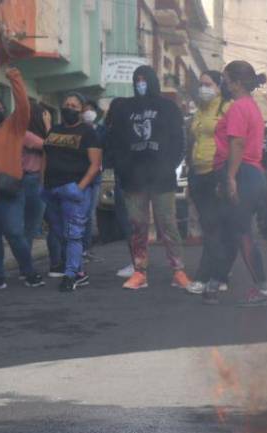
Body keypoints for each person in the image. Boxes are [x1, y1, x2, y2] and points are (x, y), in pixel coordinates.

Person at [104, 65, 189, 290]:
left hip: (162, 178)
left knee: (167, 224)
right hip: (133, 179)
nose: (140, 83)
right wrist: (122, 169)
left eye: (144, 79)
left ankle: (178, 271)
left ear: (152, 81)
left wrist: (169, 166)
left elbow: (180, 141)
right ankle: (139, 271)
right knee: (137, 226)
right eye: (137, 79)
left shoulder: (168, 108)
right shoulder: (124, 108)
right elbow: (114, 141)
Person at [0, 69, 44, 290]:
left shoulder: (13, 127)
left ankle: (29, 272)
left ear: (4, 111)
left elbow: (23, 105)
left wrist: (15, 78)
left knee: (14, 233)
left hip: (9, 192)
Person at [211, 60, 267, 306]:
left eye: (226, 80)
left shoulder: (238, 107)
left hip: (243, 173)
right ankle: (214, 283)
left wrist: (230, 177)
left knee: (241, 232)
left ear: (236, 83)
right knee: (231, 232)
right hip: (250, 174)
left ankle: (264, 290)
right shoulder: (251, 106)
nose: (223, 85)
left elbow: (237, 144)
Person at [42, 91, 101, 293]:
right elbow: (45, 158)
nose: (69, 108)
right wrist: (43, 184)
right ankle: (79, 272)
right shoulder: (53, 131)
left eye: (74, 105)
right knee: (60, 233)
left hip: (73, 188)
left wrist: (80, 187)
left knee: (74, 234)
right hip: (51, 189)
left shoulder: (88, 132)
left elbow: (95, 165)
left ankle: (70, 275)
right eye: (66, 104)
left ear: (81, 110)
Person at [184, 70, 229, 294]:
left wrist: (227, 176)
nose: (203, 88)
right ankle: (220, 274)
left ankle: (205, 276)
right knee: (209, 225)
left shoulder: (226, 109)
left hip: (216, 171)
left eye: (208, 84)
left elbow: (233, 143)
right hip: (197, 172)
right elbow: (192, 138)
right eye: (201, 84)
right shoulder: (199, 111)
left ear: (219, 86)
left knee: (213, 226)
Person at [22, 102, 50, 248]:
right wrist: (48, 127)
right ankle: (25, 265)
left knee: (33, 226)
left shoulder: (31, 135)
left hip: (39, 180)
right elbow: (52, 146)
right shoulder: (26, 135)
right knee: (30, 227)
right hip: (32, 181)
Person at [81, 99, 104, 260]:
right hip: (80, 175)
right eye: (85, 109)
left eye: (90, 109)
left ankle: (86, 248)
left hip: (96, 176)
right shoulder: (77, 129)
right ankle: (79, 247)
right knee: (80, 213)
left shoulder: (101, 130)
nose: (88, 112)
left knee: (90, 213)